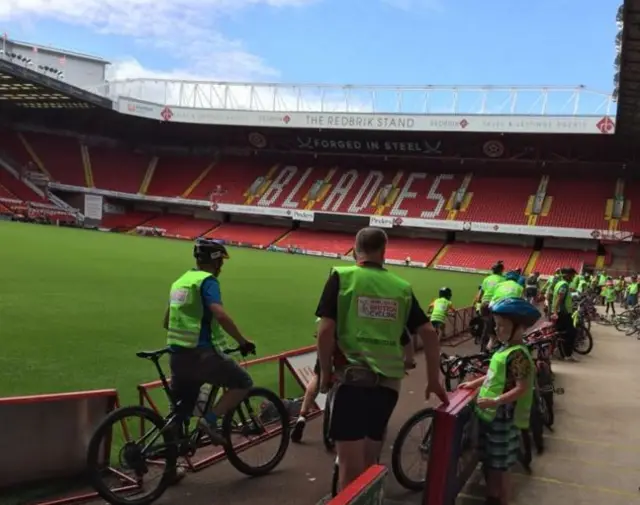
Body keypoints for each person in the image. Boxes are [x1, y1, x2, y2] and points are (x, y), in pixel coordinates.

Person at [315, 227, 448, 492]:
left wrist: (325, 373)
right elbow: (429, 335)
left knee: (349, 471)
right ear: (384, 252)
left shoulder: (342, 277)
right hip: (388, 388)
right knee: (370, 461)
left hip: (351, 382)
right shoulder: (402, 287)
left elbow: (326, 329)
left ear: (355, 250)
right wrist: (433, 379)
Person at [165, 238, 255, 446]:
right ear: (215, 261)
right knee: (243, 382)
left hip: (177, 356)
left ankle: (170, 468)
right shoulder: (208, 281)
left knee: (179, 413)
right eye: (221, 261)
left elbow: (166, 321)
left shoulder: (181, 281)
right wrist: (242, 341)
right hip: (201, 355)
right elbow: (220, 315)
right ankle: (209, 421)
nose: (222, 266)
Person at [459, 298, 539, 505]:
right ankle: (492, 497)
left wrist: (495, 400)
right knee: (491, 463)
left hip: (504, 417)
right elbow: (493, 375)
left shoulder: (518, 355)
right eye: (496, 324)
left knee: (502, 468)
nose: (498, 329)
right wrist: (474, 384)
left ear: (519, 327)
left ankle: (502, 499)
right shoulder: (504, 349)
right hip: (492, 415)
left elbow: (521, 388)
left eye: (503, 325)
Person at [550, 267, 578, 362]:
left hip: (560, 312)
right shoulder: (564, 285)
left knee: (559, 333)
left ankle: (557, 351)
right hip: (562, 313)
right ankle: (567, 355)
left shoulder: (560, 283)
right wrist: (555, 312)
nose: (573, 278)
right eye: (572, 275)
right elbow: (559, 298)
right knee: (571, 333)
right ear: (567, 275)